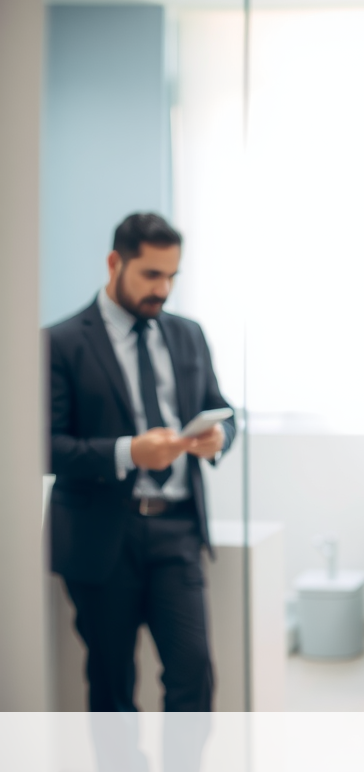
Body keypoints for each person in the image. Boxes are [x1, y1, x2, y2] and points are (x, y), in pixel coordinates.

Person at [47, 213, 236, 712]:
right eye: (151, 275)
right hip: (102, 536)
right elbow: (44, 446)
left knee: (194, 673)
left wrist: (219, 436)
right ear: (115, 263)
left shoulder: (188, 335)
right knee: (112, 686)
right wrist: (129, 452)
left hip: (177, 532)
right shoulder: (59, 343)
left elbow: (223, 409)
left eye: (172, 276)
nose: (163, 289)